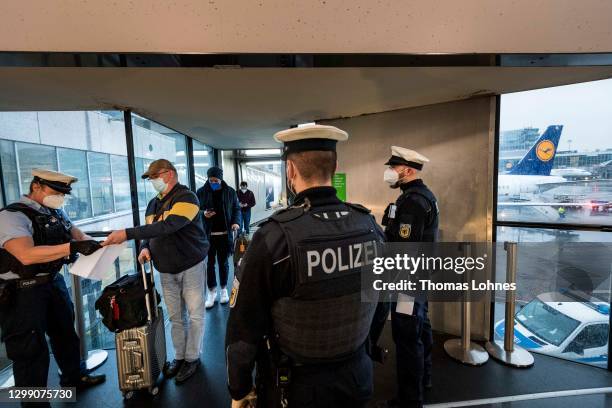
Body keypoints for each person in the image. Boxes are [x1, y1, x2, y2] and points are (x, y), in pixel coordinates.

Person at [225, 124, 385, 408]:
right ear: (334, 169)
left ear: (290, 171)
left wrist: (239, 390)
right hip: (357, 377)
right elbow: (382, 302)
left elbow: (243, 328)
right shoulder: (369, 226)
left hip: (297, 388)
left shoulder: (273, 238)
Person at [0, 169, 106, 400]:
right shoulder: (12, 215)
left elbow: (75, 233)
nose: (60, 197)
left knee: (66, 335)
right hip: (23, 291)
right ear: (36, 186)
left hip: (53, 282)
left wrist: (95, 244)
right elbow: (26, 255)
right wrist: (72, 248)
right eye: (55, 191)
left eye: (62, 193)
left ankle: (74, 380)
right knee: (30, 352)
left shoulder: (54, 211)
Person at [103, 159, 209, 384]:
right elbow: (151, 233)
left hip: (190, 265)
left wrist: (126, 233)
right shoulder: (153, 204)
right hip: (165, 268)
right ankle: (180, 357)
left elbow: (168, 226)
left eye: (154, 176)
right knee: (175, 317)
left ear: (169, 174)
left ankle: (192, 358)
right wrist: (143, 247)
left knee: (195, 314)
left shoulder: (187, 198)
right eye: (150, 178)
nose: (152, 181)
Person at [375, 146, 439, 408]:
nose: (390, 173)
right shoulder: (423, 195)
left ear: (408, 170)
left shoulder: (412, 201)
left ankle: (409, 400)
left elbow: (404, 247)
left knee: (406, 336)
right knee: (420, 326)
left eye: (394, 168)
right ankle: (424, 377)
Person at [196, 166, 241, 308]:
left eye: (216, 180)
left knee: (223, 263)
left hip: (224, 234)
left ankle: (223, 289)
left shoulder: (230, 192)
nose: (213, 183)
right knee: (209, 264)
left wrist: (236, 222)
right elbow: (195, 211)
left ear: (221, 179)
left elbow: (236, 209)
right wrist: (203, 214)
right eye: (211, 180)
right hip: (207, 235)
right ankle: (211, 291)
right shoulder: (201, 192)